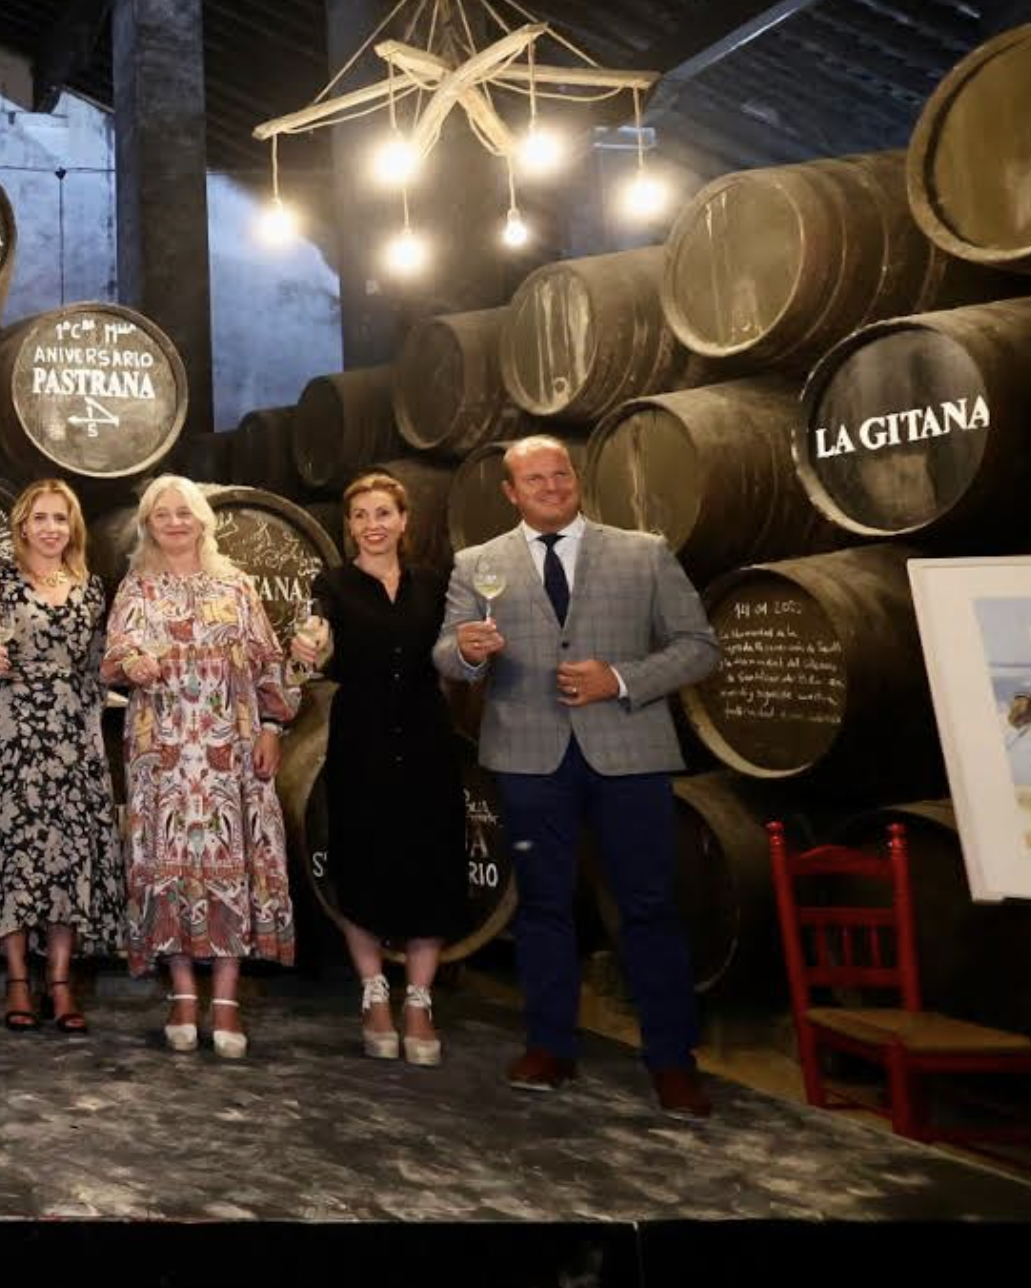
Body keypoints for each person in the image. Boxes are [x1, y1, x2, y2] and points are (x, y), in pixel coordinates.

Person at [434, 435, 721, 1118]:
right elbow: (448, 654)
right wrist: (469, 652)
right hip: (529, 757)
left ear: (577, 479)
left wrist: (620, 678)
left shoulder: (642, 552)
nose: (551, 485)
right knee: (541, 908)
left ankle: (672, 1061)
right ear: (510, 492)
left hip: (629, 755)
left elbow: (700, 647)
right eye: (534, 478)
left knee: (649, 907)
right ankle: (550, 1045)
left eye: (560, 473)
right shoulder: (479, 563)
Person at [103, 475, 306, 1057]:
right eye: (161, 514)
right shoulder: (138, 587)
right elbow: (111, 659)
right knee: (166, 867)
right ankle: (183, 993)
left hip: (231, 750)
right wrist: (133, 664)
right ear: (147, 524)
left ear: (202, 520)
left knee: (233, 863)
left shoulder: (237, 585)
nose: (174, 522)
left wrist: (272, 727)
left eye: (183, 512)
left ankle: (226, 996)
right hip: (161, 751)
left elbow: (269, 664)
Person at [0, 478, 125, 1034]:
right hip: (12, 735)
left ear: (71, 527)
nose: (51, 528)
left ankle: (59, 980)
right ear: (22, 525)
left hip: (73, 734)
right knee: (13, 855)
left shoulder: (92, 589)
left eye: (60, 518)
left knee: (68, 858)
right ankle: (17, 980)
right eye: (41, 518)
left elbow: (99, 670)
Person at [304, 470, 462, 1067]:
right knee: (361, 858)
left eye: (383, 513)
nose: (373, 525)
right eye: (361, 516)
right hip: (361, 736)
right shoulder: (334, 585)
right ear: (350, 527)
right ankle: (374, 994)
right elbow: (319, 645)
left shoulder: (434, 584)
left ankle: (418, 1000)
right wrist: (309, 649)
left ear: (404, 521)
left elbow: (452, 654)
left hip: (425, 733)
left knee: (431, 860)